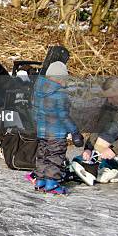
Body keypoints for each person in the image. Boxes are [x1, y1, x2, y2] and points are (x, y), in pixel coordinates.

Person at [30, 61, 84, 195]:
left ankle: (40, 181)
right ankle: (52, 183)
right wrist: (75, 132)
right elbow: (63, 116)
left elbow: (34, 113)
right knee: (55, 157)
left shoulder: (38, 92)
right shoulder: (60, 95)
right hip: (56, 134)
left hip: (42, 132)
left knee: (43, 156)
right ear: (60, 79)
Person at [71, 76, 118, 185]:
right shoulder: (110, 104)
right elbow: (99, 125)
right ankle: (98, 163)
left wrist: (114, 149)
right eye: (107, 98)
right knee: (110, 129)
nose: (109, 101)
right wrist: (89, 148)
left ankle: (111, 165)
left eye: (111, 97)